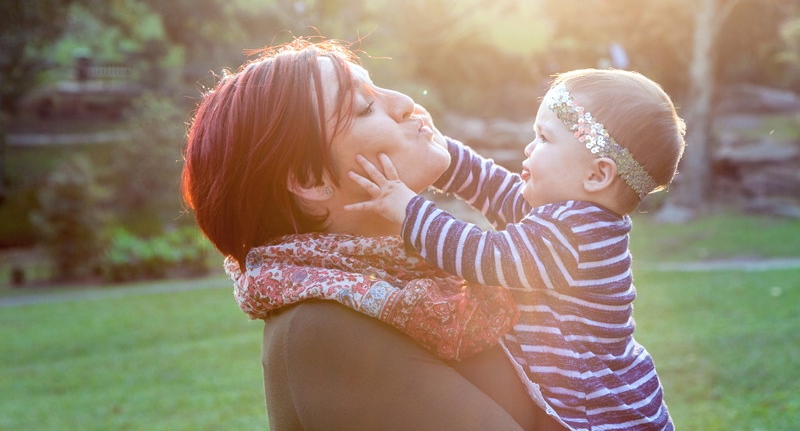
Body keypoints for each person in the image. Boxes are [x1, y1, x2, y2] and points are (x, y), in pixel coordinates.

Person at [181, 39, 564, 431]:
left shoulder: (426, 281)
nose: (403, 103)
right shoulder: (321, 331)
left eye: (378, 87)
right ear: (311, 180)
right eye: (364, 107)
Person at [345, 69, 686, 431]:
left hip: (598, 415)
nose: (529, 147)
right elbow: (488, 183)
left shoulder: (577, 234)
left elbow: (485, 255)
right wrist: (437, 147)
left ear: (597, 175)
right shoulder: (561, 214)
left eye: (544, 138)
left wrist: (406, 208)